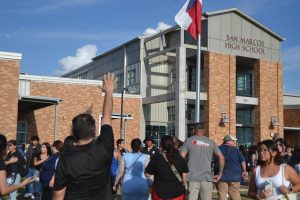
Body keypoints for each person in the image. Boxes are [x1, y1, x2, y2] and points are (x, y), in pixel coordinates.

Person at [53, 73, 116, 200]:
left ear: (73, 133)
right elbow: (107, 116)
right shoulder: (104, 147)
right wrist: (109, 92)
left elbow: (58, 196)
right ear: (94, 132)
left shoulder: (65, 159)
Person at [180, 123, 225, 200]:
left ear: (194, 130)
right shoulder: (211, 142)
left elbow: (181, 158)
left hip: (192, 177)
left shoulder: (188, 141)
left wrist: (182, 174)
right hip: (206, 178)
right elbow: (221, 157)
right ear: (204, 131)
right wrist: (220, 173)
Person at [145, 135, 189, 200]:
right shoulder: (180, 158)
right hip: (178, 194)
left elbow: (147, 174)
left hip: (159, 193)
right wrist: (184, 185)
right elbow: (184, 175)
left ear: (161, 145)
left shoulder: (157, 158)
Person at [0, 134, 34, 198]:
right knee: (7, 192)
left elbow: (22, 165)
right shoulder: (8, 154)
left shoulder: (18, 155)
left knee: (12, 195)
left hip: (14, 175)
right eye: (7, 145)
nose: (8, 146)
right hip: (8, 175)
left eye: (10, 145)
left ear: (15, 146)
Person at [215, 135, 247, 200]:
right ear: (229, 141)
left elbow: (212, 160)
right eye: (233, 141)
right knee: (235, 194)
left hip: (222, 176)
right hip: (235, 176)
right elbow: (243, 161)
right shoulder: (236, 150)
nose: (234, 142)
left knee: (222, 193)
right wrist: (244, 171)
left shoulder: (217, 149)